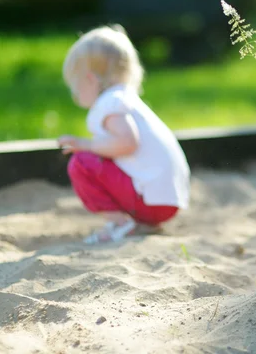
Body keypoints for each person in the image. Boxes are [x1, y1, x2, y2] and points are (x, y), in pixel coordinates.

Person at [58, 25, 190, 244]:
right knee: (97, 157)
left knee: (80, 163)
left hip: (151, 202)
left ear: (90, 80)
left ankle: (120, 223)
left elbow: (127, 143)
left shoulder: (109, 102)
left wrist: (86, 145)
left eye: (74, 86)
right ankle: (140, 223)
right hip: (167, 201)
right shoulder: (126, 100)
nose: (74, 94)